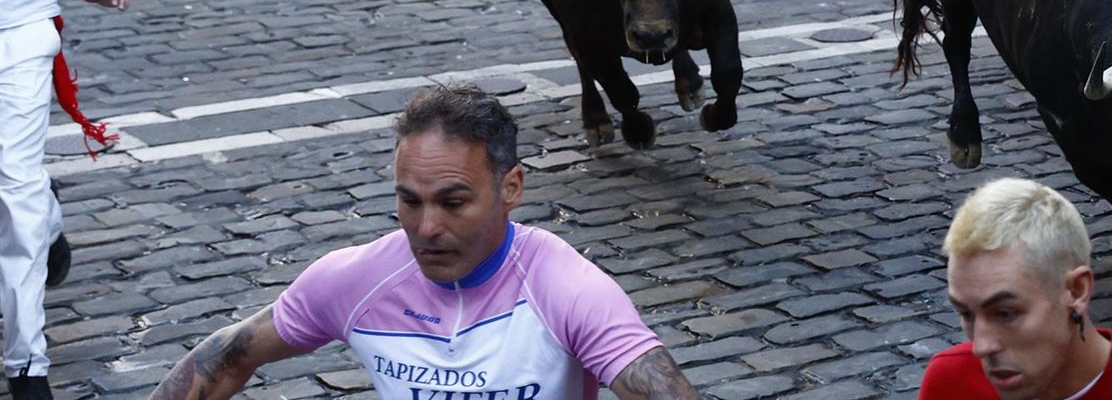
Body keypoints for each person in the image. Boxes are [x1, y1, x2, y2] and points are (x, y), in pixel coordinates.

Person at [146, 87, 702, 399]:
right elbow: (224, 357)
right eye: (410, 201)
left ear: (511, 188)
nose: (426, 228)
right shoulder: (354, 279)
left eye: (453, 202)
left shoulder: (566, 289)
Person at [0, 0, 126, 400]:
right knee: (20, 189)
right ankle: (50, 222)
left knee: (14, 194)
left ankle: (28, 367)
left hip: (18, 36)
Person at [918, 178, 1112, 400]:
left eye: (1006, 313)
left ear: (1077, 290)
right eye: (966, 313)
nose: (981, 346)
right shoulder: (950, 383)